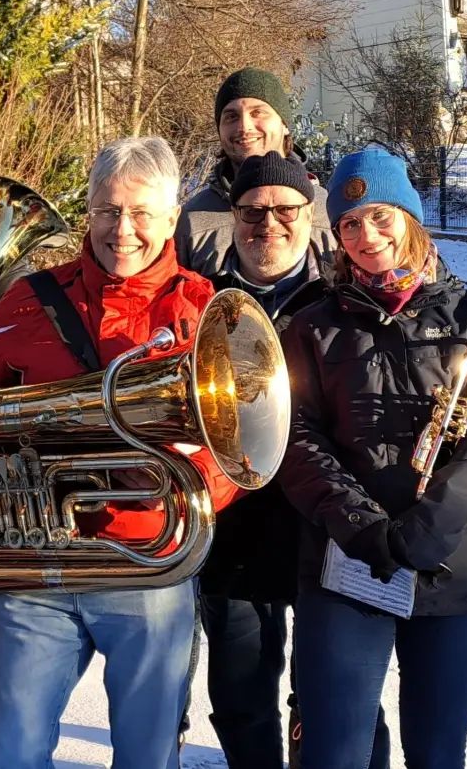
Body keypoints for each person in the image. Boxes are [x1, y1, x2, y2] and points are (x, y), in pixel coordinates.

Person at [0, 136, 246, 769]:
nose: (124, 230)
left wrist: (183, 484)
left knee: (147, 757)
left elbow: (239, 442)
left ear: (172, 218)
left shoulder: (206, 308)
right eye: (108, 210)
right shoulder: (33, 297)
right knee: (12, 752)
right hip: (40, 569)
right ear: (88, 212)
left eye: (143, 213)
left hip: (147, 564)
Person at [278, 147, 467, 769]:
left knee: (437, 752)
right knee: (335, 753)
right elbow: (295, 436)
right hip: (345, 563)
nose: (367, 235)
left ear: (411, 219)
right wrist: (359, 526)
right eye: (350, 224)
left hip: (455, 566)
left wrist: (423, 533)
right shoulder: (312, 326)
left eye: (380, 216)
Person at [195, 151, 327, 769]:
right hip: (233, 533)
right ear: (232, 218)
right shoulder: (200, 302)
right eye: (252, 211)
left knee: (329, 696)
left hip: (324, 531)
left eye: (284, 209)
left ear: (307, 214)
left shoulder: (341, 296)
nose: (267, 223)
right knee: (241, 695)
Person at [175, 67, 334, 276]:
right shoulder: (193, 219)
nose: (244, 126)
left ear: (285, 124)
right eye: (231, 117)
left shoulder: (329, 211)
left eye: (257, 113)